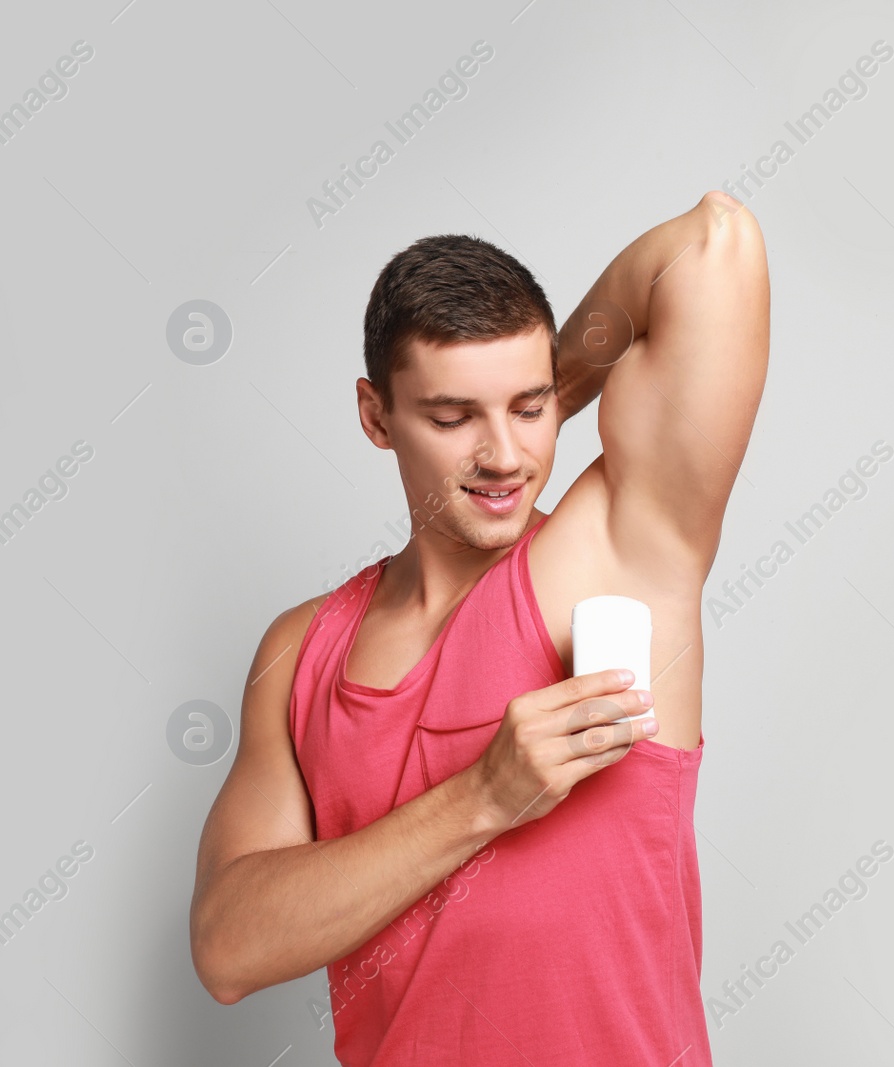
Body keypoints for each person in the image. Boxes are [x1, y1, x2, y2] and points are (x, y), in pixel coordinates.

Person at [187, 190, 769, 1066]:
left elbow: (715, 243)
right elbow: (228, 948)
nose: (503, 456)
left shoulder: (613, 559)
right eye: (454, 418)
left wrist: (546, 403)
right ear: (376, 417)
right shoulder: (304, 651)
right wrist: (485, 796)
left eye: (528, 407)